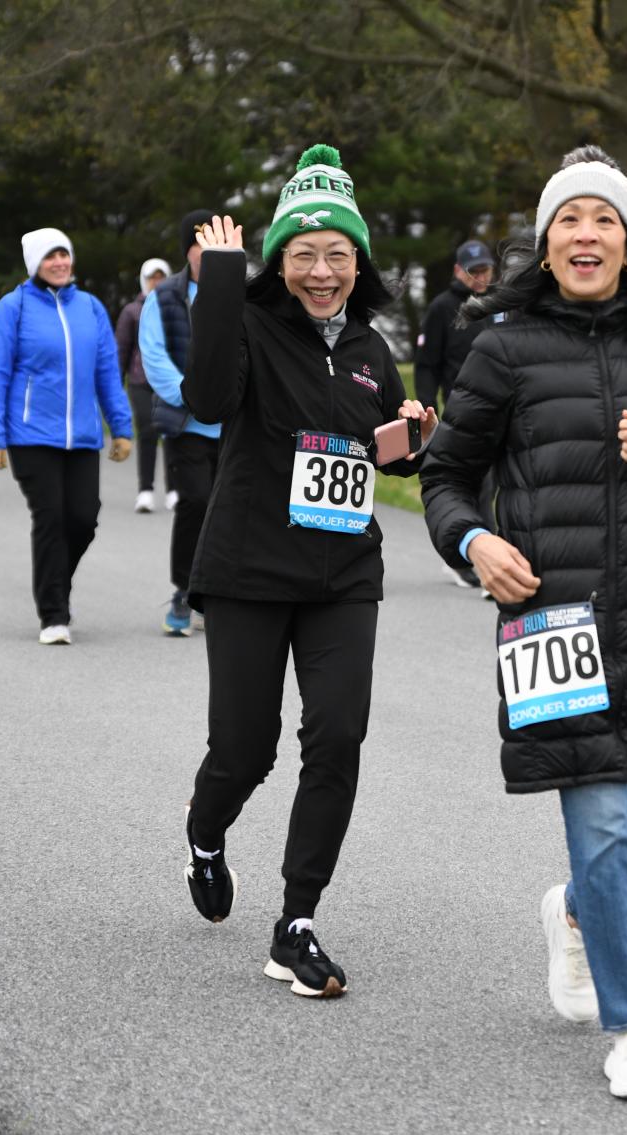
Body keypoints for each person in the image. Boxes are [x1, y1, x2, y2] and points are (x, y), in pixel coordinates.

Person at [421, 146, 627, 1098]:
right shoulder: (503, 346)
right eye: (568, 220)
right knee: (599, 828)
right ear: (547, 245)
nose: (585, 234)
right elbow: (445, 475)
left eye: (603, 219)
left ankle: (577, 916)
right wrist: (473, 544)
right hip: (553, 623)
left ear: (626, 240)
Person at [180, 144, 437, 999]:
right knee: (245, 750)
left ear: (358, 263)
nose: (322, 271)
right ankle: (207, 836)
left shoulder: (370, 347)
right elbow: (209, 398)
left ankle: (296, 923)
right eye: (304, 255)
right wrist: (221, 280)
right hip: (251, 570)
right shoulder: (250, 325)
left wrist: (412, 437)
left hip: (342, 576)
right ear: (280, 262)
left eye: (337, 255)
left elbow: (378, 454)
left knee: (337, 736)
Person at [0, 228, 133, 644]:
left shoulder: (90, 308)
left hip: (81, 435)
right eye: (51, 257)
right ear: (35, 263)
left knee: (83, 519)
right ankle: (53, 615)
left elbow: (106, 372)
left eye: (65, 254)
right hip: (30, 434)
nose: (61, 263)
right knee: (50, 519)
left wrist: (121, 426)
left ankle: (54, 582)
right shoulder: (13, 308)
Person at [139, 211, 223, 636]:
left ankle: (218, 594)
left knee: (228, 509)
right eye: (197, 243)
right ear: (186, 250)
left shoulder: (241, 292)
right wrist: (193, 396)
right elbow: (155, 358)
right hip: (187, 421)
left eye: (213, 242)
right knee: (194, 503)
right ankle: (183, 589)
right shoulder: (164, 296)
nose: (205, 252)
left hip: (234, 424)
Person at [414, 239, 498, 592]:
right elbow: (426, 364)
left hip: (501, 410)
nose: (480, 277)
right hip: (459, 413)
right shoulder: (441, 308)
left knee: (497, 486)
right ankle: (478, 562)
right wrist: (425, 413)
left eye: (485, 270)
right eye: (473, 271)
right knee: (478, 486)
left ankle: (493, 556)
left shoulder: (498, 305)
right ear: (458, 271)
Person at [115, 257, 173, 513]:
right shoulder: (132, 311)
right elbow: (122, 349)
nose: (157, 282)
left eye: (161, 277)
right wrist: (115, 386)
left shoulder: (178, 307)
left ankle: (174, 490)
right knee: (147, 432)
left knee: (173, 433)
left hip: (170, 381)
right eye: (152, 278)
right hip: (140, 381)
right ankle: (146, 490)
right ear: (144, 280)